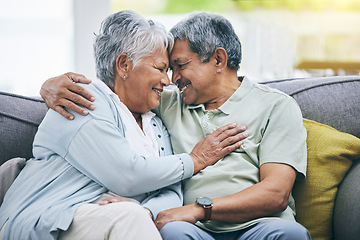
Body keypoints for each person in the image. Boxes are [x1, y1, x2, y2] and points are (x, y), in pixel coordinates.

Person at [39, 11, 311, 240]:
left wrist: (199, 209)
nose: (172, 78)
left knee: (291, 235)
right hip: (190, 228)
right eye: (167, 69)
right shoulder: (168, 101)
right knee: (173, 233)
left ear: (218, 59)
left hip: (258, 225)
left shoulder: (277, 106)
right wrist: (50, 86)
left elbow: (276, 194)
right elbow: (122, 87)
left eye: (180, 66)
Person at [0, 10, 247, 240]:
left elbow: (173, 192)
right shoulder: (83, 101)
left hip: (117, 223)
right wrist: (195, 160)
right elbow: (126, 174)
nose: (167, 80)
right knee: (129, 217)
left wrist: (148, 210)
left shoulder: (155, 122)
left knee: (132, 215)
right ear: (124, 65)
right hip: (51, 218)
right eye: (161, 68)